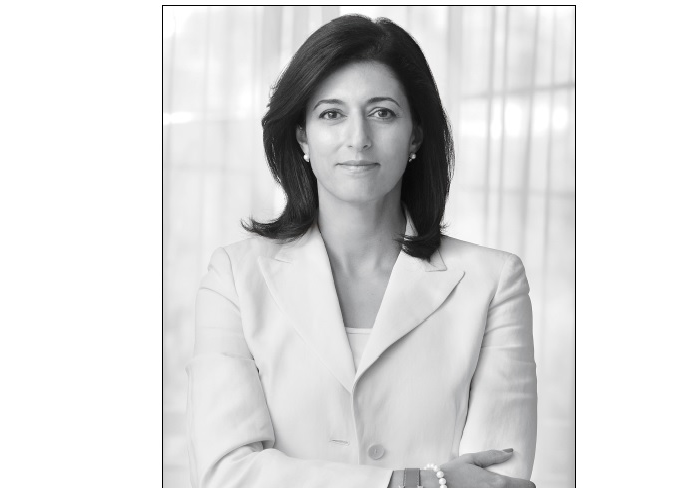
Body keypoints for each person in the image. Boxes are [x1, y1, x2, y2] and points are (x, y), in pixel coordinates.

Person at [186, 14, 537, 488]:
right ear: (302, 136)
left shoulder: (493, 282)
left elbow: (495, 483)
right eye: (332, 114)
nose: (358, 138)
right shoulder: (234, 276)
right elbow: (225, 477)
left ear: (415, 135)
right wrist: (415, 483)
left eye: (383, 113)